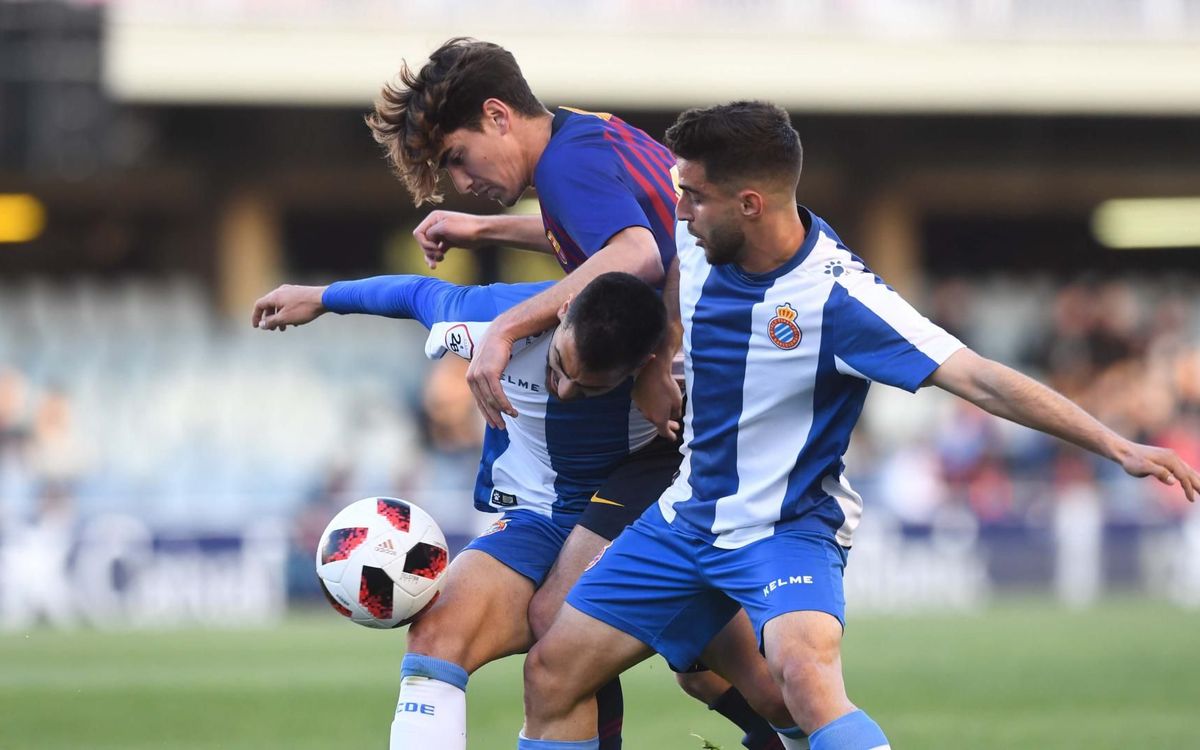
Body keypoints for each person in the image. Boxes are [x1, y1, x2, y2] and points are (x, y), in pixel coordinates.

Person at [518, 101, 1200, 750]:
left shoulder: (839, 298)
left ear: (749, 204)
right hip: (687, 518)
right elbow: (655, 274)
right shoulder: (699, 239)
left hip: (785, 528)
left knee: (802, 677)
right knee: (554, 671)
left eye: (693, 196)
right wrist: (654, 360)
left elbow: (982, 379)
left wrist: (1114, 443)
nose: (679, 210)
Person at [280, 35, 781, 749]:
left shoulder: (570, 166)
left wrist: (512, 329)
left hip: (669, 469)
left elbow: (635, 251)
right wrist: (471, 233)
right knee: (447, 630)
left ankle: (798, 734)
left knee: (595, 642)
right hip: (556, 505)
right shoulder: (590, 136)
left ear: (497, 116)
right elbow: (620, 235)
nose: (458, 180)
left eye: (456, 156)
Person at [251, 272, 796, 750]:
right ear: (562, 312)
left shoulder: (681, 364)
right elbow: (413, 292)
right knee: (439, 634)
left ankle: (786, 727)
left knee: (762, 689)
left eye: (590, 388)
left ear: (646, 366)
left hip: (645, 506)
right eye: (560, 365)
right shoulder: (493, 320)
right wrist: (321, 297)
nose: (562, 389)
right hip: (537, 513)